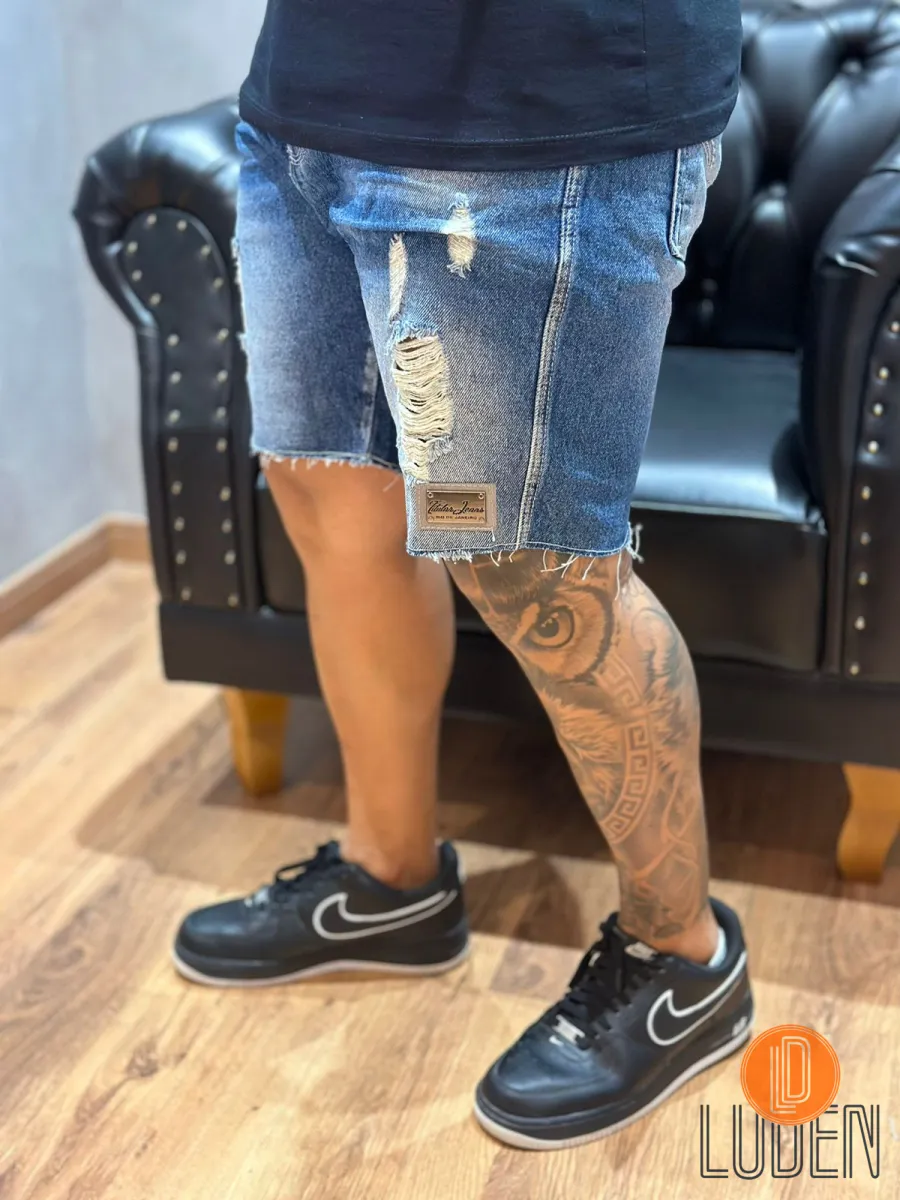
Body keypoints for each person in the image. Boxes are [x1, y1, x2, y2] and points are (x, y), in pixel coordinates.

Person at [173, 0, 753, 1148]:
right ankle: (391, 881)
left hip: (530, 126)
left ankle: (684, 957)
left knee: (528, 560)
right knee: (329, 490)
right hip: (309, 96)